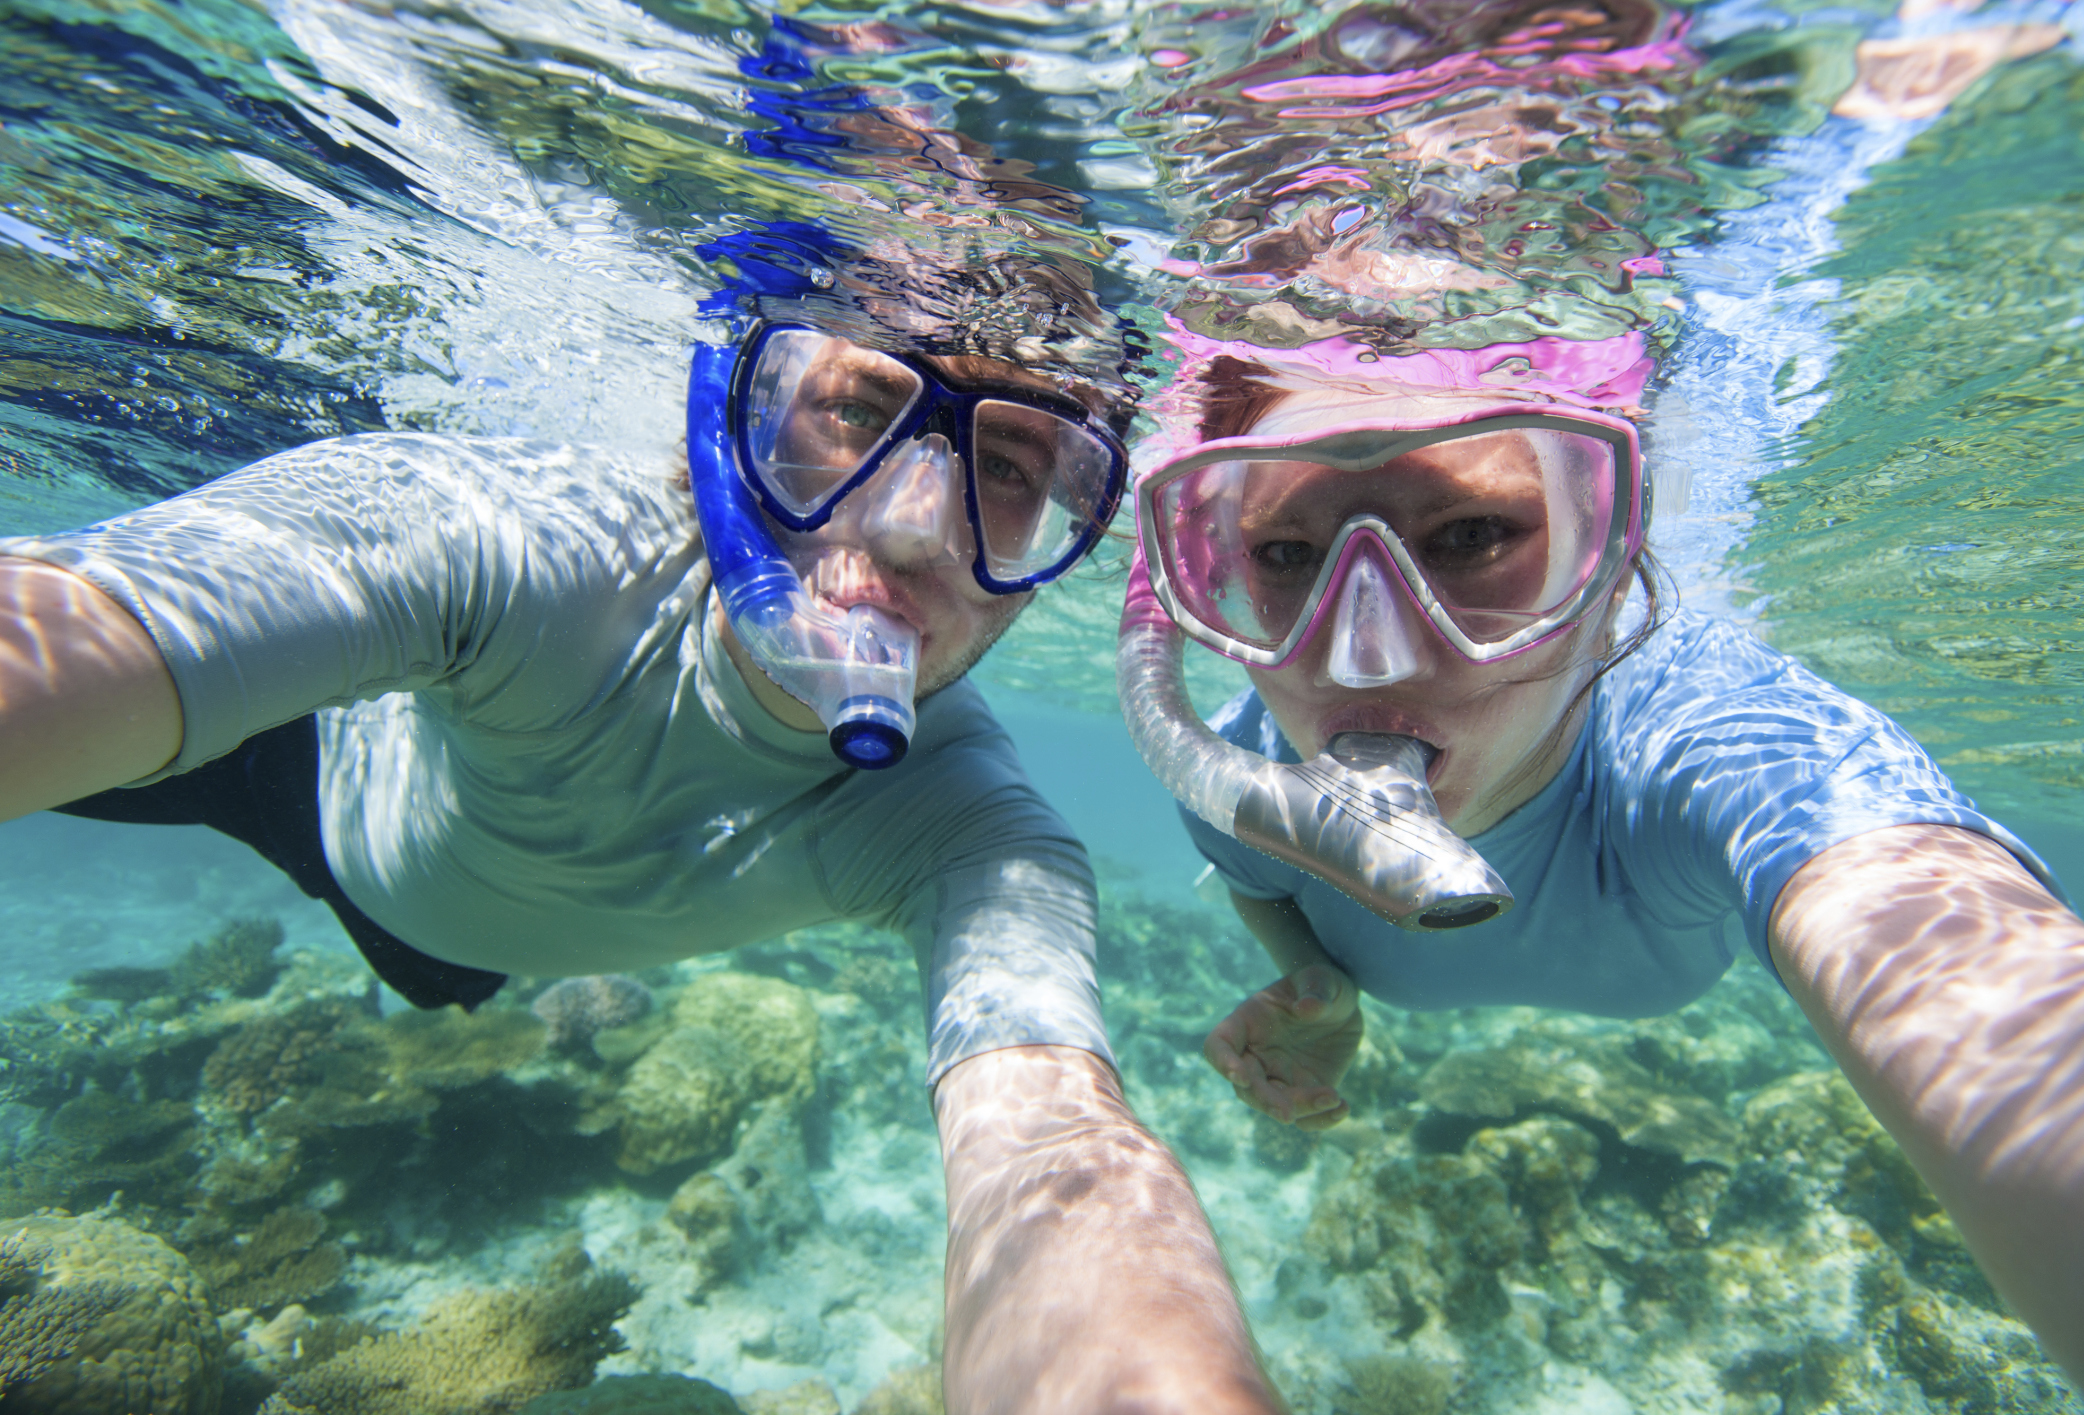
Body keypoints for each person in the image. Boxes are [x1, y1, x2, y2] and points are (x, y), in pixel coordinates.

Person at [0, 235, 1284, 1414]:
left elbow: (1049, 1149)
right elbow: (78, 625)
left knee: (447, 973)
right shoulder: (502, 546)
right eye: (853, 408)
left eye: (1007, 469)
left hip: (451, 946)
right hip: (300, 776)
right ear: (737, 414)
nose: (909, 527)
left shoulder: (976, 832)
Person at [1115, 327, 2084, 1411]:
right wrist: (1319, 986)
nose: (1370, 654)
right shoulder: (1233, 776)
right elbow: (1264, 884)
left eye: (1468, 533)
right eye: (1282, 553)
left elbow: (1947, 948)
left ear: (1608, 552)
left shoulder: (1711, 728)